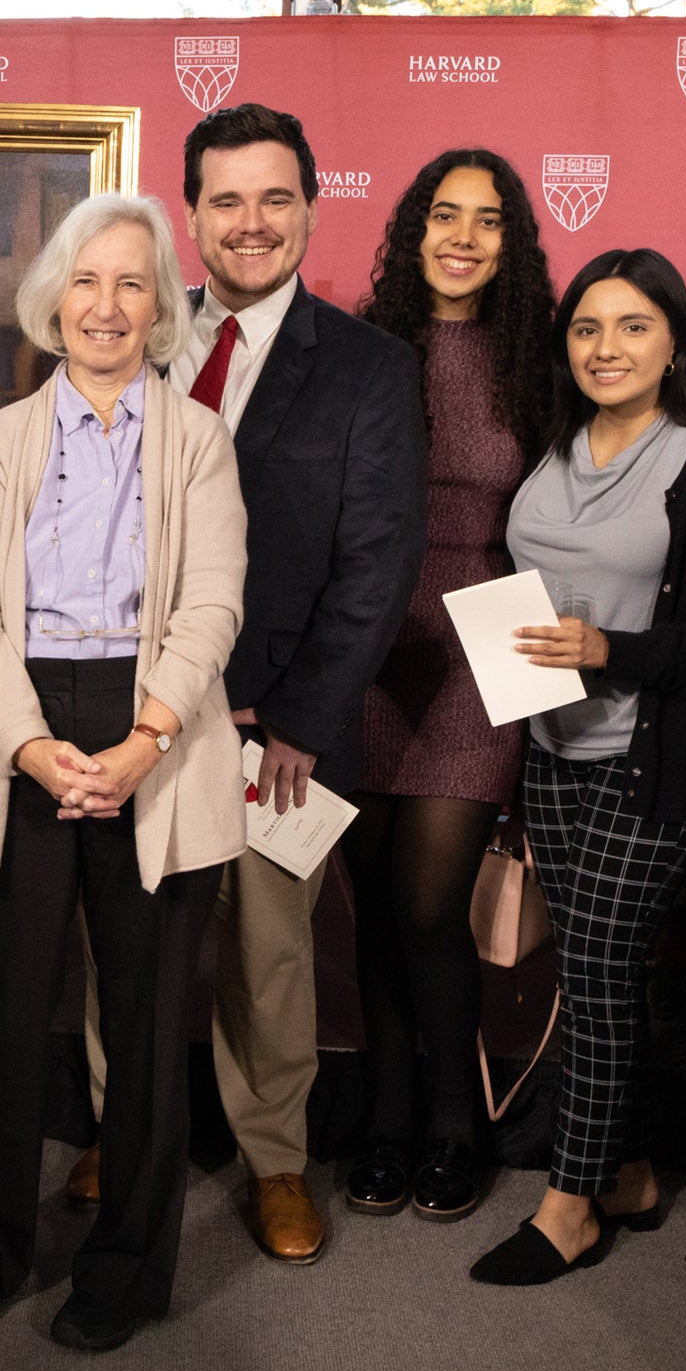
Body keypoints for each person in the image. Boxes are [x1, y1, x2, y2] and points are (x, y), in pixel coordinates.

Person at [73, 104, 427, 1269]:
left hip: (278, 724)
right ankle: (122, 1129)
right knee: (124, 937)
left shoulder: (372, 368)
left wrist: (304, 718)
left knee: (271, 957)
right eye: (226, 200)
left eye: (275, 198)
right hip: (126, 711)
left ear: (312, 210)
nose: (251, 222)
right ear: (190, 215)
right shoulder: (129, 335)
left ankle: (275, 1156)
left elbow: (377, 565)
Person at [0, 192, 249, 1353]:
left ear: (159, 309)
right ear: (55, 298)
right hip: (18, 724)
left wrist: (145, 741)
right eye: (87, 280)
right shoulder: (4, 437)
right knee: (4, 1008)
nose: (106, 305)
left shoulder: (199, 440)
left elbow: (213, 604)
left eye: (132, 283)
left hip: (155, 723)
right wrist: (26, 742)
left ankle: (126, 1272)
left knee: (149, 1025)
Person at [470, 247, 686, 1287]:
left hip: (652, 763)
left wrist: (615, 649)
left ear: (676, 343)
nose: (608, 347)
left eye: (634, 325)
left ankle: (570, 1205)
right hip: (551, 749)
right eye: (587, 327)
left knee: (599, 969)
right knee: (591, 971)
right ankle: (634, 1171)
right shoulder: (555, 448)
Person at [342, 148, 556, 1223]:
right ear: (413, 230)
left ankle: (456, 1119)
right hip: (364, 643)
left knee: (430, 902)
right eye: (443, 214)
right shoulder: (359, 349)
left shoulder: (540, 362)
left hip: (487, 635)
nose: (462, 236)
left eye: (487, 219)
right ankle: (386, 1117)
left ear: (510, 243)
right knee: (374, 903)